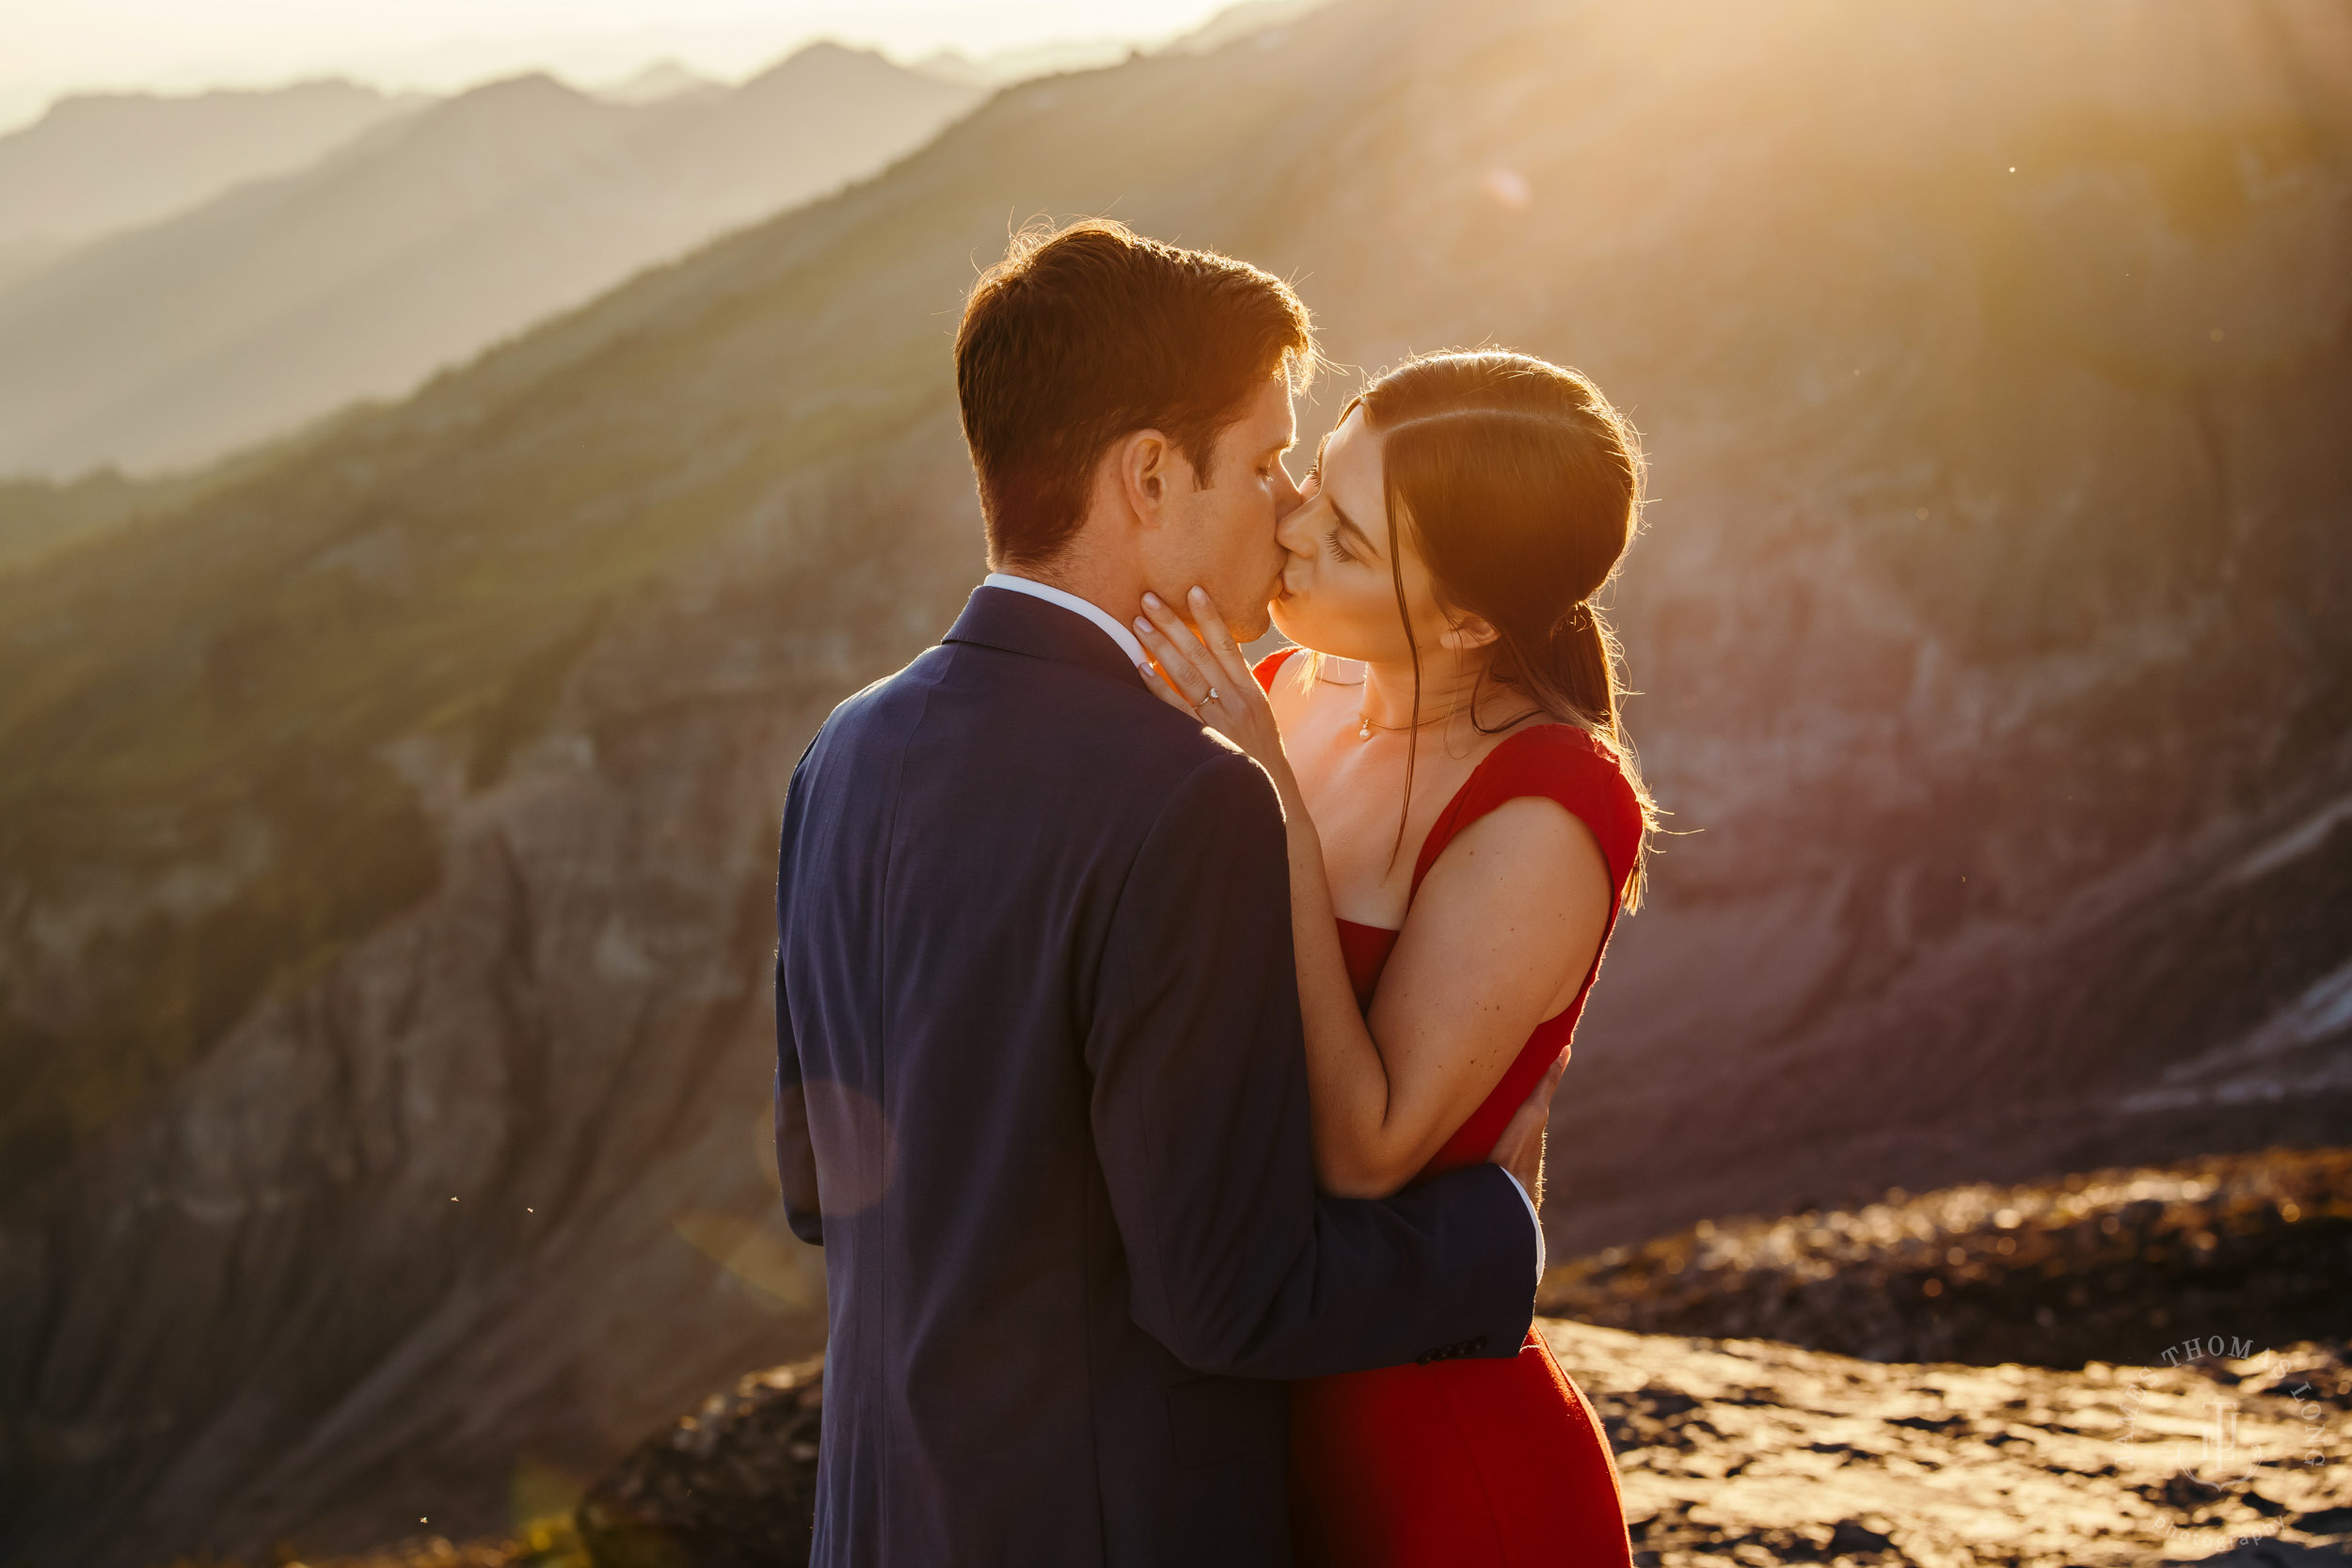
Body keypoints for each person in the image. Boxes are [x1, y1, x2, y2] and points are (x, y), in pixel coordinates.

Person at [771, 222, 1559, 1567]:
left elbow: (816, 1182)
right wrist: (1494, 1234)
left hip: (879, 1524)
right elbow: (1226, 1301)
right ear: (1147, 476)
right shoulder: (1186, 799)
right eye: (1260, 465)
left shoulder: (846, 748)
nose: (1286, 508)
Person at [1131, 350, 1654, 1567]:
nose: (1291, 529)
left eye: (1350, 542)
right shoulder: (1280, 691)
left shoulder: (1542, 808)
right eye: (1312, 481)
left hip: (1428, 1467)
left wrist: (1268, 796)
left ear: (1468, 620)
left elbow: (1364, 1152)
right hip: (1237, 1423)